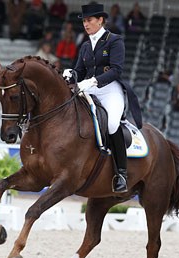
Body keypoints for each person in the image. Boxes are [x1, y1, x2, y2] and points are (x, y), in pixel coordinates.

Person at [63, 3, 142, 193]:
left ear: (100, 20)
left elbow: (116, 70)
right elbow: (80, 71)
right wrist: (70, 74)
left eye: (89, 20)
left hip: (109, 90)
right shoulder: (85, 45)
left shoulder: (115, 40)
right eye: (84, 21)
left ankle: (121, 173)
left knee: (113, 124)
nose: (86, 24)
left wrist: (93, 81)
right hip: (88, 89)